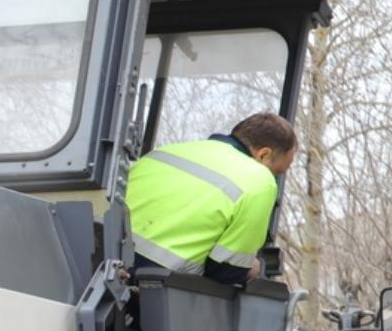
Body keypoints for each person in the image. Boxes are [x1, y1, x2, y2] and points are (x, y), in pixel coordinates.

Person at [125, 112, 297, 286]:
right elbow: (226, 272)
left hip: (105, 267)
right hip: (153, 290)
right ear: (263, 155)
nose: (275, 178)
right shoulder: (261, 181)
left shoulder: (167, 151)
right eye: (278, 172)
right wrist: (253, 268)